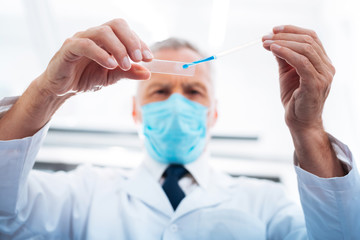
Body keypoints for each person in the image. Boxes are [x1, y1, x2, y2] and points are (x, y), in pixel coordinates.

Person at [0, 18, 359, 240]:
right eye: (159, 89)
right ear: (135, 112)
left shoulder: (265, 204)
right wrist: (48, 91)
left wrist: (308, 129)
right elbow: (6, 221)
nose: (177, 101)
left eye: (193, 90)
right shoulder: (83, 194)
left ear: (213, 113)